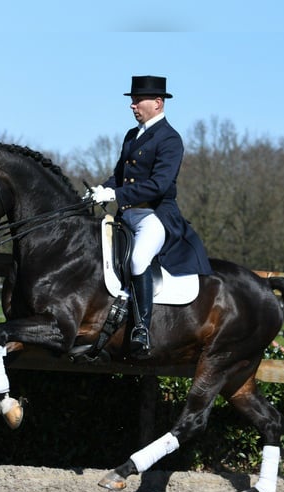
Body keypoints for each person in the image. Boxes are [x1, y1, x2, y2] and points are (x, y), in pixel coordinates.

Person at [91, 75, 212, 359]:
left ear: (157, 103)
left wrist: (116, 196)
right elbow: (119, 175)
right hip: (127, 214)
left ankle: (141, 330)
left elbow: (159, 185)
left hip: (154, 216)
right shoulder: (132, 135)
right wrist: (104, 189)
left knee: (137, 259)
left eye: (137, 101)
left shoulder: (170, 139)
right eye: (132, 101)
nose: (132, 106)